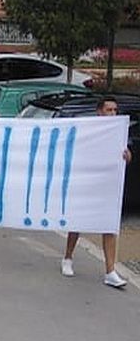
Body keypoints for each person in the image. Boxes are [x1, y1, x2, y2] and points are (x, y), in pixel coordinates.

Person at [62, 96, 133, 288]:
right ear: (99, 111)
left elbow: (127, 155)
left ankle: (110, 271)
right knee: (77, 222)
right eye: (109, 110)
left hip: (108, 185)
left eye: (115, 110)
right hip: (87, 183)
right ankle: (68, 257)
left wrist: (127, 157)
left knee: (108, 226)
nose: (113, 113)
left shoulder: (120, 131)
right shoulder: (90, 129)